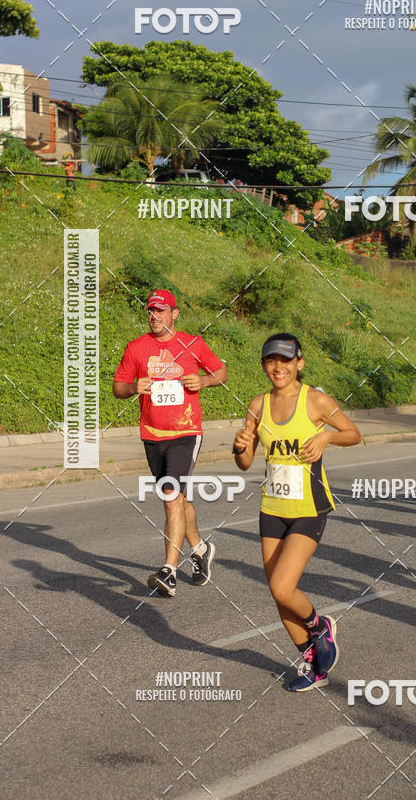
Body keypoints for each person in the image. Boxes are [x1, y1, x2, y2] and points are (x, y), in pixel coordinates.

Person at [233, 333, 361, 692]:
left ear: (299, 364)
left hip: (309, 507)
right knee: (278, 594)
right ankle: (313, 662)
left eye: (286, 361)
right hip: (272, 508)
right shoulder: (257, 405)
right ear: (264, 365)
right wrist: (239, 447)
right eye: (271, 361)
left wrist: (326, 437)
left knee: (282, 585)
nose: (278, 367)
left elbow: (353, 433)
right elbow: (245, 463)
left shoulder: (315, 400)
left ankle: (320, 627)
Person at [113, 289, 227, 598]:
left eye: (161, 311)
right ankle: (200, 549)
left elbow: (221, 371)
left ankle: (169, 572)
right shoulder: (137, 348)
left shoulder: (192, 343)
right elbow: (118, 387)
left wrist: (204, 381)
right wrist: (132, 387)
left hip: (186, 432)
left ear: (174, 313)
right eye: (151, 311)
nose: (155, 316)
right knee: (178, 499)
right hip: (152, 434)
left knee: (170, 495)